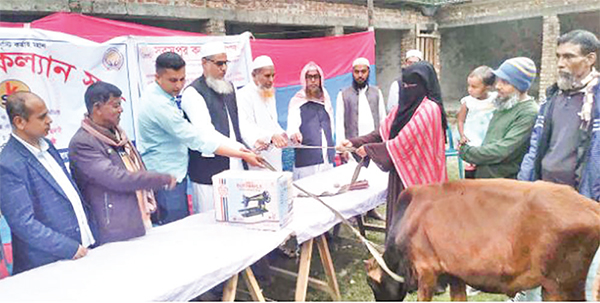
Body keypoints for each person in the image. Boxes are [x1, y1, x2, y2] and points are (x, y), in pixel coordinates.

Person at [516, 30, 600, 302]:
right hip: (545, 198)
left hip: (583, 200)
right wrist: (523, 187)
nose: (561, 63)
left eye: (568, 57)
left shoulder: (597, 101)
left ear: (590, 59)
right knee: (536, 265)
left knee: (579, 273)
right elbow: (536, 146)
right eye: (558, 57)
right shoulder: (553, 98)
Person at [137, 51, 261, 225]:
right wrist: (240, 153)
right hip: (166, 179)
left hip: (174, 175)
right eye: (173, 80)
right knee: (175, 232)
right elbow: (197, 138)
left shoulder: (160, 94)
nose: (179, 85)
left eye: (182, 79)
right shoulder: (161, 104)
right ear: (157, 77)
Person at [338, 61, 448, 235]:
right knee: (400, 222)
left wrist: (369, 149)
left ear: (425, 85)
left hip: (421, 179)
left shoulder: (430, 109)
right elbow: (383, 132)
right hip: (401, 171)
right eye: (404, 85)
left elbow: (403, 142)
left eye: (412, 85)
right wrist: (354, 142)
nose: (407, 88)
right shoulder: (403, 108)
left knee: (417, 224)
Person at [69, 82, 176, 245]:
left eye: (121, 104)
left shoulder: (118, 134)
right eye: (115, 105)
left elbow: (134, 166)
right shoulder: (83, 143)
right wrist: (159, 179)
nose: (121, 110)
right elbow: (116, 178)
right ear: (97, 108)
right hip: (113, 228)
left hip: (138, 217)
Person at [0, 91, 94, 274]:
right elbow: (23, 223)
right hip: (50, 263)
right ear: (20, 122)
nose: (50, 120)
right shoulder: (8, 164)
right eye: (42, 116)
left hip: (83, 247)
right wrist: (68, 248)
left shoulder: (47, 145)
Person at [181, 42, 262, 213]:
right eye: (219, 63)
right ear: (204, 63)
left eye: (226, 63)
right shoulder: (192, 93)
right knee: (210, 223)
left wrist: (256, 142)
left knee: (238, 215)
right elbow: (206, 134)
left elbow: (241, 123)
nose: (224, 68)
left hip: (236, 165)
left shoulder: (230, 87)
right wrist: (242, 150)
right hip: (208, 173)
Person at [459, 57, 539, 179]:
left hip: (503, 184)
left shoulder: (529, 112)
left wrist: (468, 152)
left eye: (505, 82)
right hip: (484, 177)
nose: (498, 86)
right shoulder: (505, 103)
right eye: (498, 80)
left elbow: (504, 149)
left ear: (520, 86)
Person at [335, 57, 386, 220]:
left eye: (363, 71)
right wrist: (342, 146)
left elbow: (383, 120)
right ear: (352, 73)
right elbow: (339, 122)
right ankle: (355, 214)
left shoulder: (376, 93)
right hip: (352, 145)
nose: (360, 75)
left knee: (372, 178)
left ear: (368, 72)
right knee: (354, 180)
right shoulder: (343, 94)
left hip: (373, 144)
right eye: (357, 72)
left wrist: (383, 144)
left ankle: (371, 210)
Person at [237, 55, 288, 171]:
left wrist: (282, 134)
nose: (271, 80)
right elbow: (245, 127)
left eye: (273, 75)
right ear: (254, 75)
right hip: (257, 154)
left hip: (274, 154)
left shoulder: (269, 92)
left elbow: (272, 122)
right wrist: (270, 136)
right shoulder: (243, 95)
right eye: (267, 76)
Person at [287, 62, 335, 180]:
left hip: (327, 162)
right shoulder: (297, 101)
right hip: (307, 164)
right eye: (309, 77)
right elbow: (292, 125)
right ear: (304, 79)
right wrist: (294, 134)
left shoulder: (326, 100)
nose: (313, 80)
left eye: (316, 77)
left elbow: (331, 126)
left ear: (320, 79)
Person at [456, 66, 497, 178]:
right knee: (471, 166)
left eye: (474, 87)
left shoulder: (495, 99)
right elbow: (460, 120)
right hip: (472, 138)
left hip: (488, 138)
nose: (470, 89)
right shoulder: (467, 102)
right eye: (469, 85)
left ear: (488, 87)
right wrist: (462, 135)